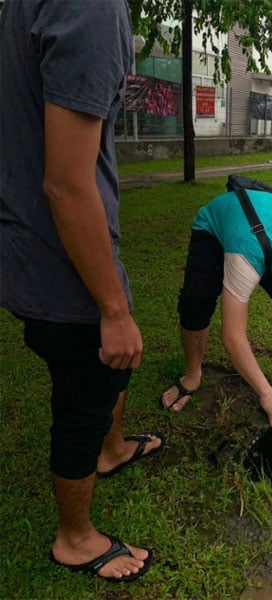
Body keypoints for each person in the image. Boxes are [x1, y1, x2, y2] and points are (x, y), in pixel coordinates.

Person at [0, 0, 163, 583]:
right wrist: (113, 308)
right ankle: (75, 539)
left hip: (39, 247)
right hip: (60, 260)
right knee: (84, 395)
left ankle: (112, 449)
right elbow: (67, 184)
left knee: (113, 368)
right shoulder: (91, 6)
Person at [161, 186, 272, 426]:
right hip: (219, 227)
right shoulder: (245, 255)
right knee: (195, 305)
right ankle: (192, 376)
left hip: (267, 229)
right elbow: (233, 336)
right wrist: (266, 393)